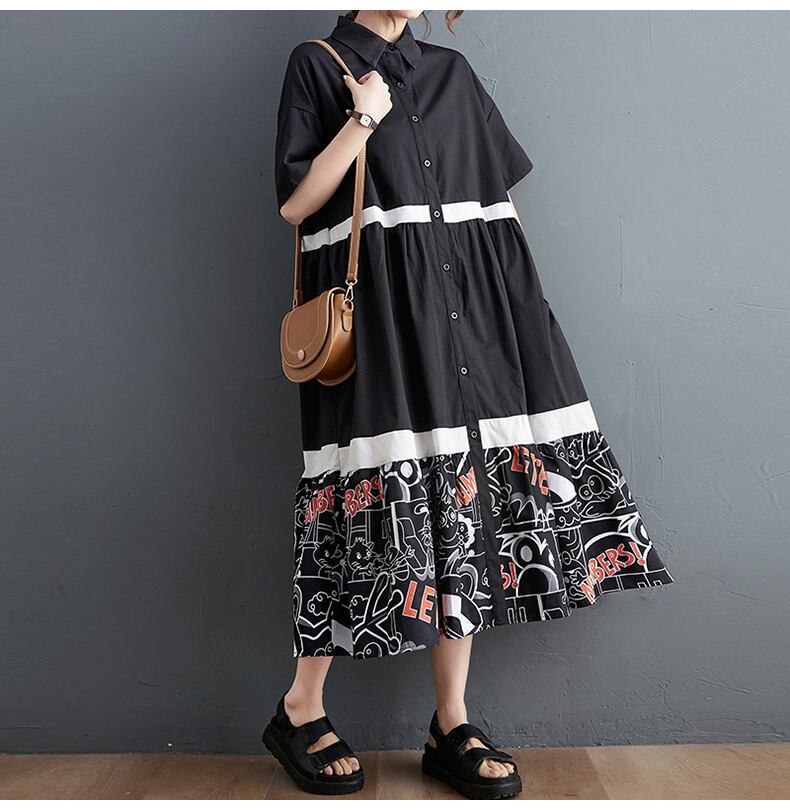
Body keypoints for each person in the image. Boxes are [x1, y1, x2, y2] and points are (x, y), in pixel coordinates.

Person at [265, 9, 674, 799]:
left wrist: (526, 323)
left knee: (467, 496)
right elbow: (297, 204)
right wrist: (362, 120)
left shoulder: (451, 73)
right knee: (365, 498)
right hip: (382, 320)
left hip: (479, 317)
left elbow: (495, 210)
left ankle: (450, 721)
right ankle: (300, 705)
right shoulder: (317, 64)